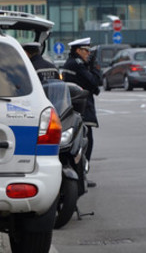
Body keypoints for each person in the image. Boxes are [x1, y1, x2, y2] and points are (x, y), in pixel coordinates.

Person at [62, 37, 100, 187]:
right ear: (78, 50)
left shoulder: (71, 63)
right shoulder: (78, 64)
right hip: (81, 108)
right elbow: (93, 83)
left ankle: (79, 174)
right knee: (85, 141)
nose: (88, 54)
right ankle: (81, 174)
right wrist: (95, 67)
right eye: (86, 51)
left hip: (74, 107)